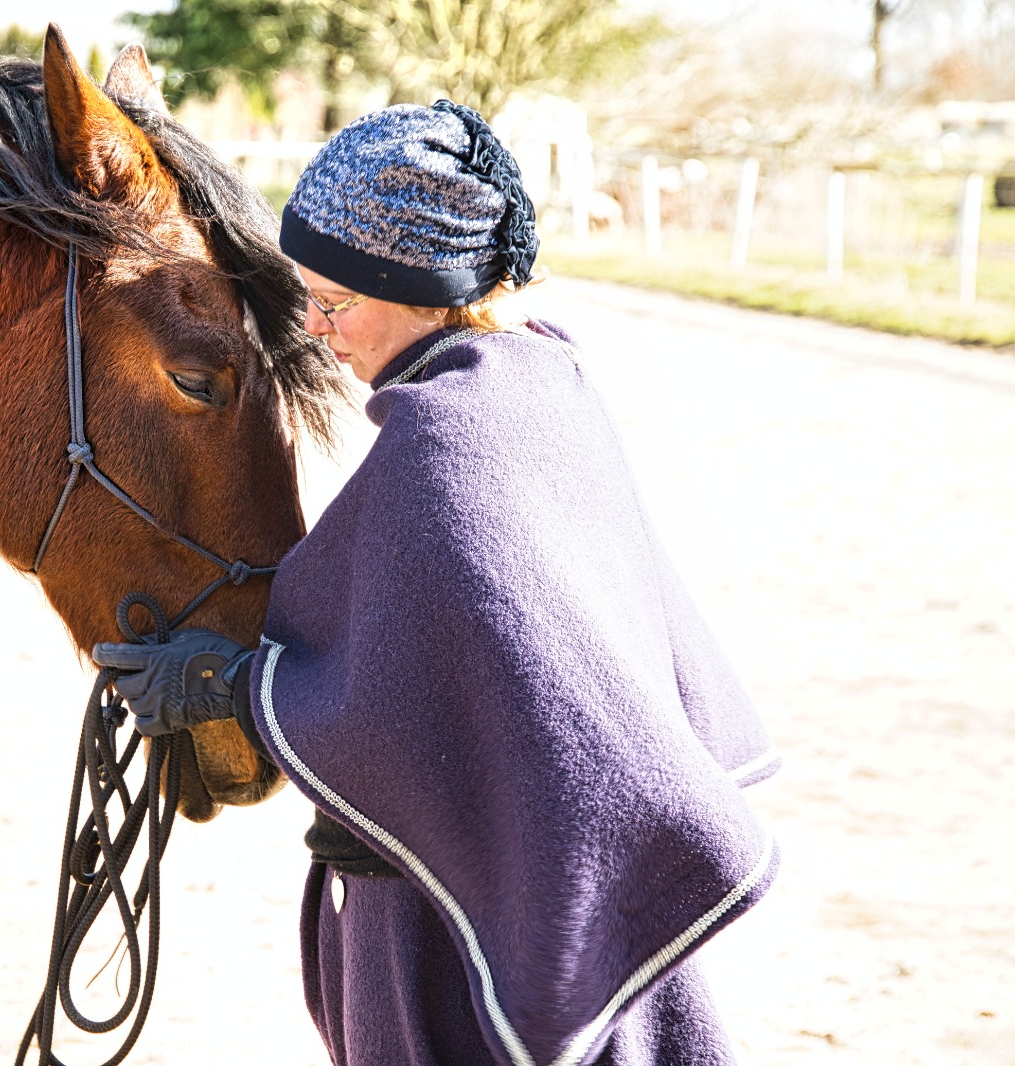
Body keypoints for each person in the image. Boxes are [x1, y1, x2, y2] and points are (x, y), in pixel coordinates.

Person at [92, 100, 780, 1066]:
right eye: (308, 299)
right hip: (497, 875)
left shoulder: (447, 446)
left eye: (337, 304)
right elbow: (482, 676)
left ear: (425, 291)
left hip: (455, 921)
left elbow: (407, 704)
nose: (322, 335)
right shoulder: (540, 379)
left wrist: (228, 689)